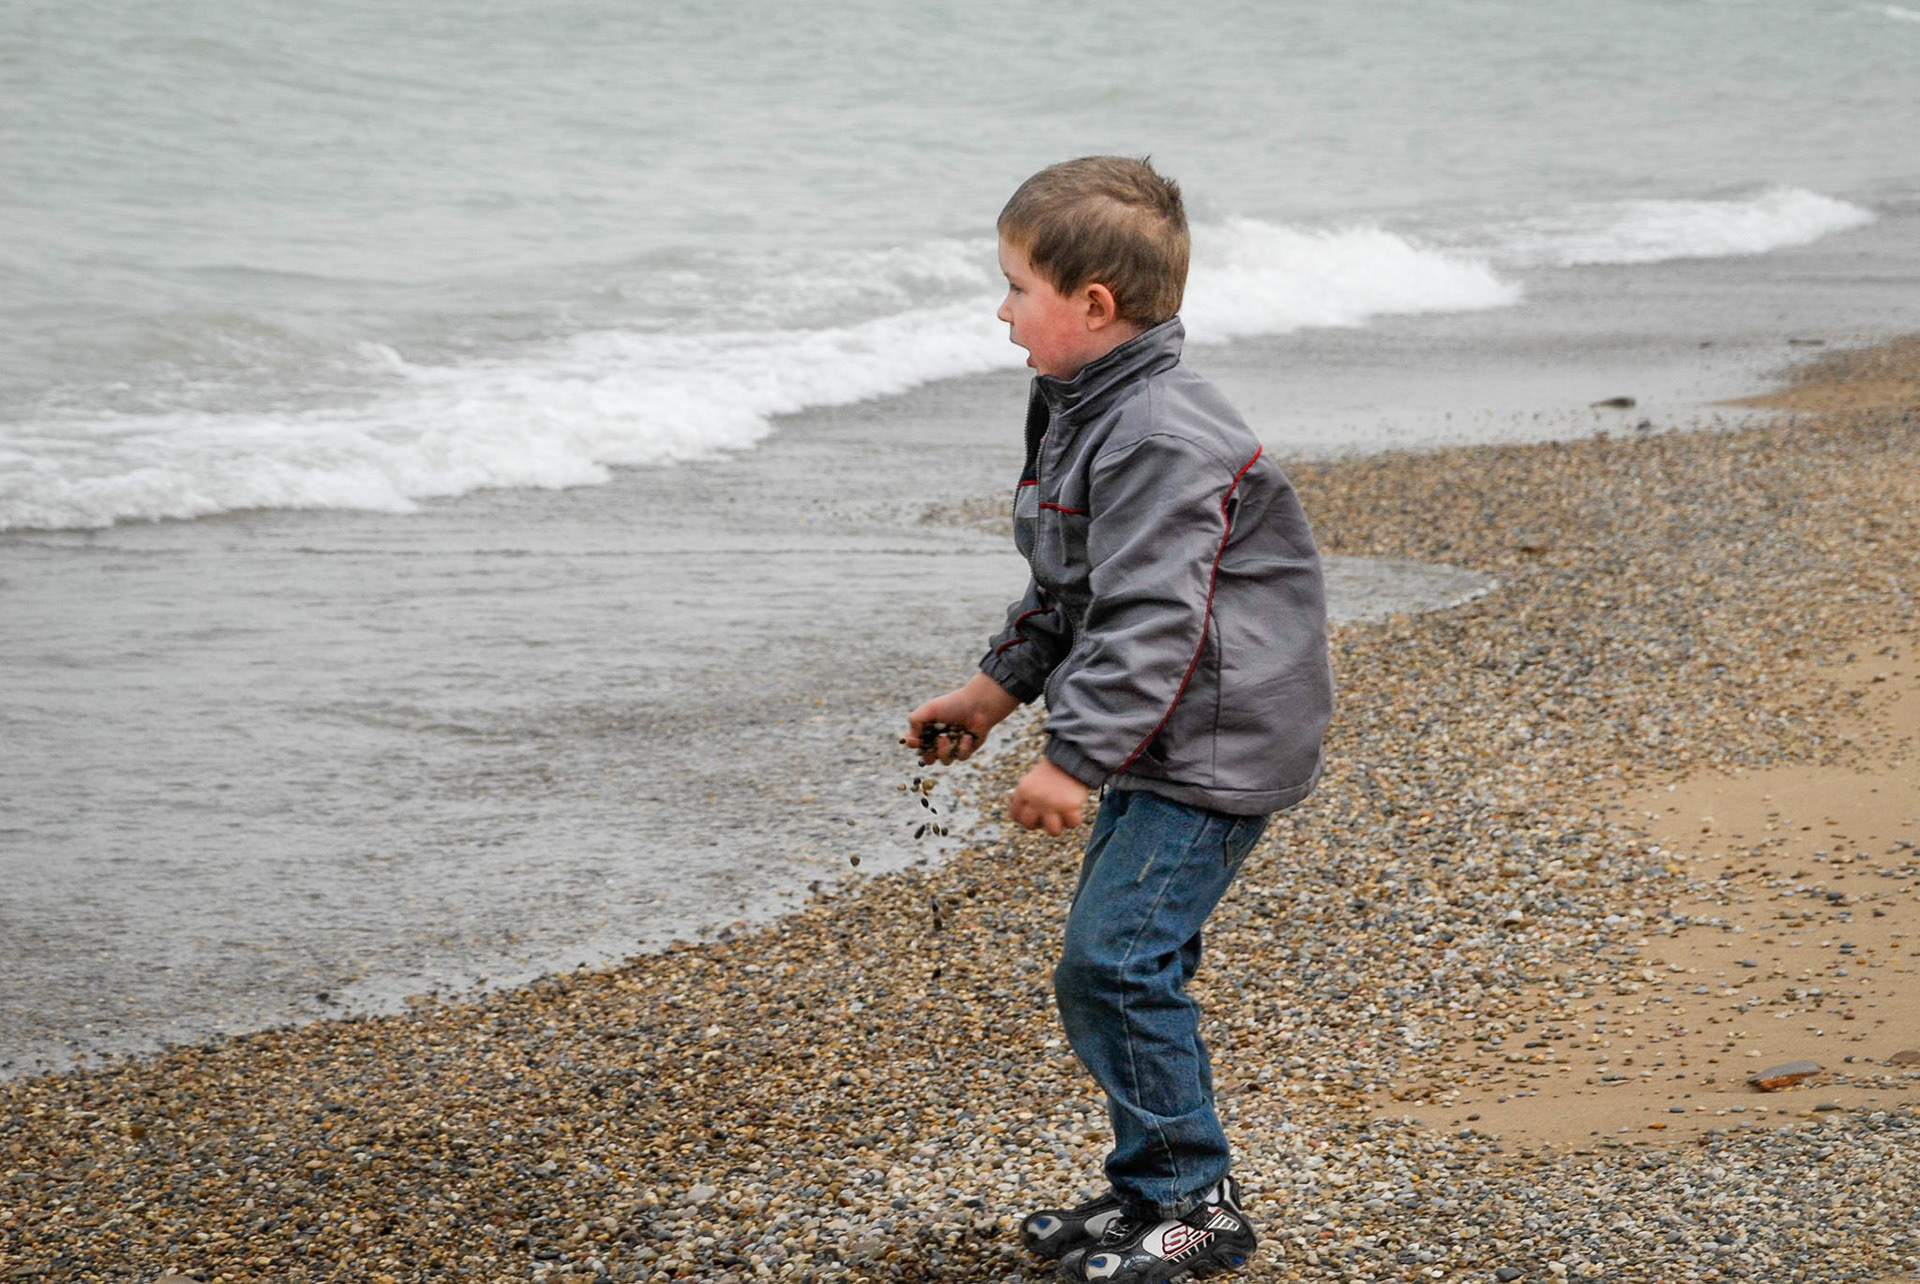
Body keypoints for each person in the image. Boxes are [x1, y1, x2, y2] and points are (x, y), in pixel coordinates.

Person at [907, 156, 1335, 1284]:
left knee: (1115, 965)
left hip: (1213, 735)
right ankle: (1152, 1188)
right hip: (1167, 724)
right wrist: (993, 692)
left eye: (1017, 287)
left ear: (1093, 305)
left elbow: (1151, 615)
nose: (1001, 310)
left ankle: (1195, 1206)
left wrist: (1075, 759)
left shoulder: (1154, 434)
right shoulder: (1082, 407)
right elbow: (1072, 582)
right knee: (1120, 964)